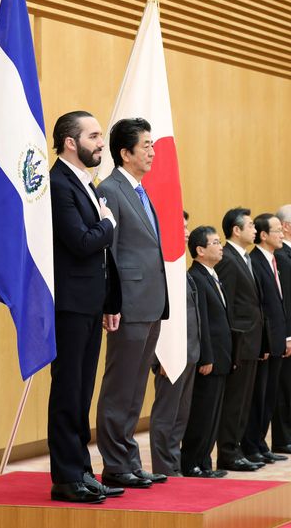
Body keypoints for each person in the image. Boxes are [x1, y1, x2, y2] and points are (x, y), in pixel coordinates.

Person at [48, 111, 122, 504]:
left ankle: (81, 471)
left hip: (91, 304)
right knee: (68, 390)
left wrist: (110, 301)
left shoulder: (86, 183)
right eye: (93, 136)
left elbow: (101, 257)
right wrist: (108, 226)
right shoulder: (58, 183)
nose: (100, 142)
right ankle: (65, 476)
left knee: (82, 391)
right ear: (70, 142)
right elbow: (80, 242)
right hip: (69, 305)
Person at [96, 117, 169, 488]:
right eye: (146, 145)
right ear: (125, 153)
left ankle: (129, 461)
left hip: (150, 302)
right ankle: (114, 463)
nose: (153, 151)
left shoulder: (140, 190)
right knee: (119, 386)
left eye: (153, 144)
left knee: (136, 385)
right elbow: (108, 254)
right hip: (128, 303)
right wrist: (112, 303)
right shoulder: (110, 189)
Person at [149, 210, 200, 477]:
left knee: (180, 416)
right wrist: (160, 356)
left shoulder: (180, 265)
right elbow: (159, 313)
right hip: (171, 352)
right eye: (181, 227)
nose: (187, 232)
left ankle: (173, 465)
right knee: (165, 416)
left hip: (189, 350)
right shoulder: (162, 264)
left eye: (187, 226)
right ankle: (163, 468)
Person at [215, 208, 265, 472]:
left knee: (245, 400)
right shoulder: (227, 259)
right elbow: (227, 306)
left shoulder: (244, 258)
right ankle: (227, 453)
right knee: (234, 401)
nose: (254, 230)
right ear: (236, 230)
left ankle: (237, 449)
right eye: (250, 225)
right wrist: (232, 342)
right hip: (240, 341)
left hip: (253, 341)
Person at [181, 226, 232, 478]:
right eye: (214, 242)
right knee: (201, 414)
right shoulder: (196, 277)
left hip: (222, 357)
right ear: (200, 250)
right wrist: (207, 357)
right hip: (209, 359)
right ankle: (192, 463)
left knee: (213, 414)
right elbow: (201, 322)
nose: (220, 246)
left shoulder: (212, 274)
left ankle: (204, 462)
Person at [241, 213, 291, 465]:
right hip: (264, 341)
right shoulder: (255, 261)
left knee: (269, 395)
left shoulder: (272, 260)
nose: (281, 234)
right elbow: (260, 306)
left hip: (276, 338)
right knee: (258, 396)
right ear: (263, 235)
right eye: (277, 230)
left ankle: (261, 443)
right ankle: (252, 445)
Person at [271, 205, 291, 454]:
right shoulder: (282, 257)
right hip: (286, 334)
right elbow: (285, 300)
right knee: (284, 388)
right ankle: (283, 437)